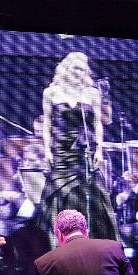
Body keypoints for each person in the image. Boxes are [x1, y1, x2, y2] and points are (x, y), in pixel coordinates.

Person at [38, 52, 119, 249]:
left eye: (83, 70)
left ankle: (92, 245)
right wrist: (47, 150)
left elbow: (99, 123)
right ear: (66, 68)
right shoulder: (51, 93)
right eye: (76, 68)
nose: (79, 73)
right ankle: (61, 245)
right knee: (61, 196)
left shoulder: (91, 93)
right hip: (62, 150)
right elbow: (46, 123)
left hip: (85, 151)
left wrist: (99, 148)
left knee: (90, 196)